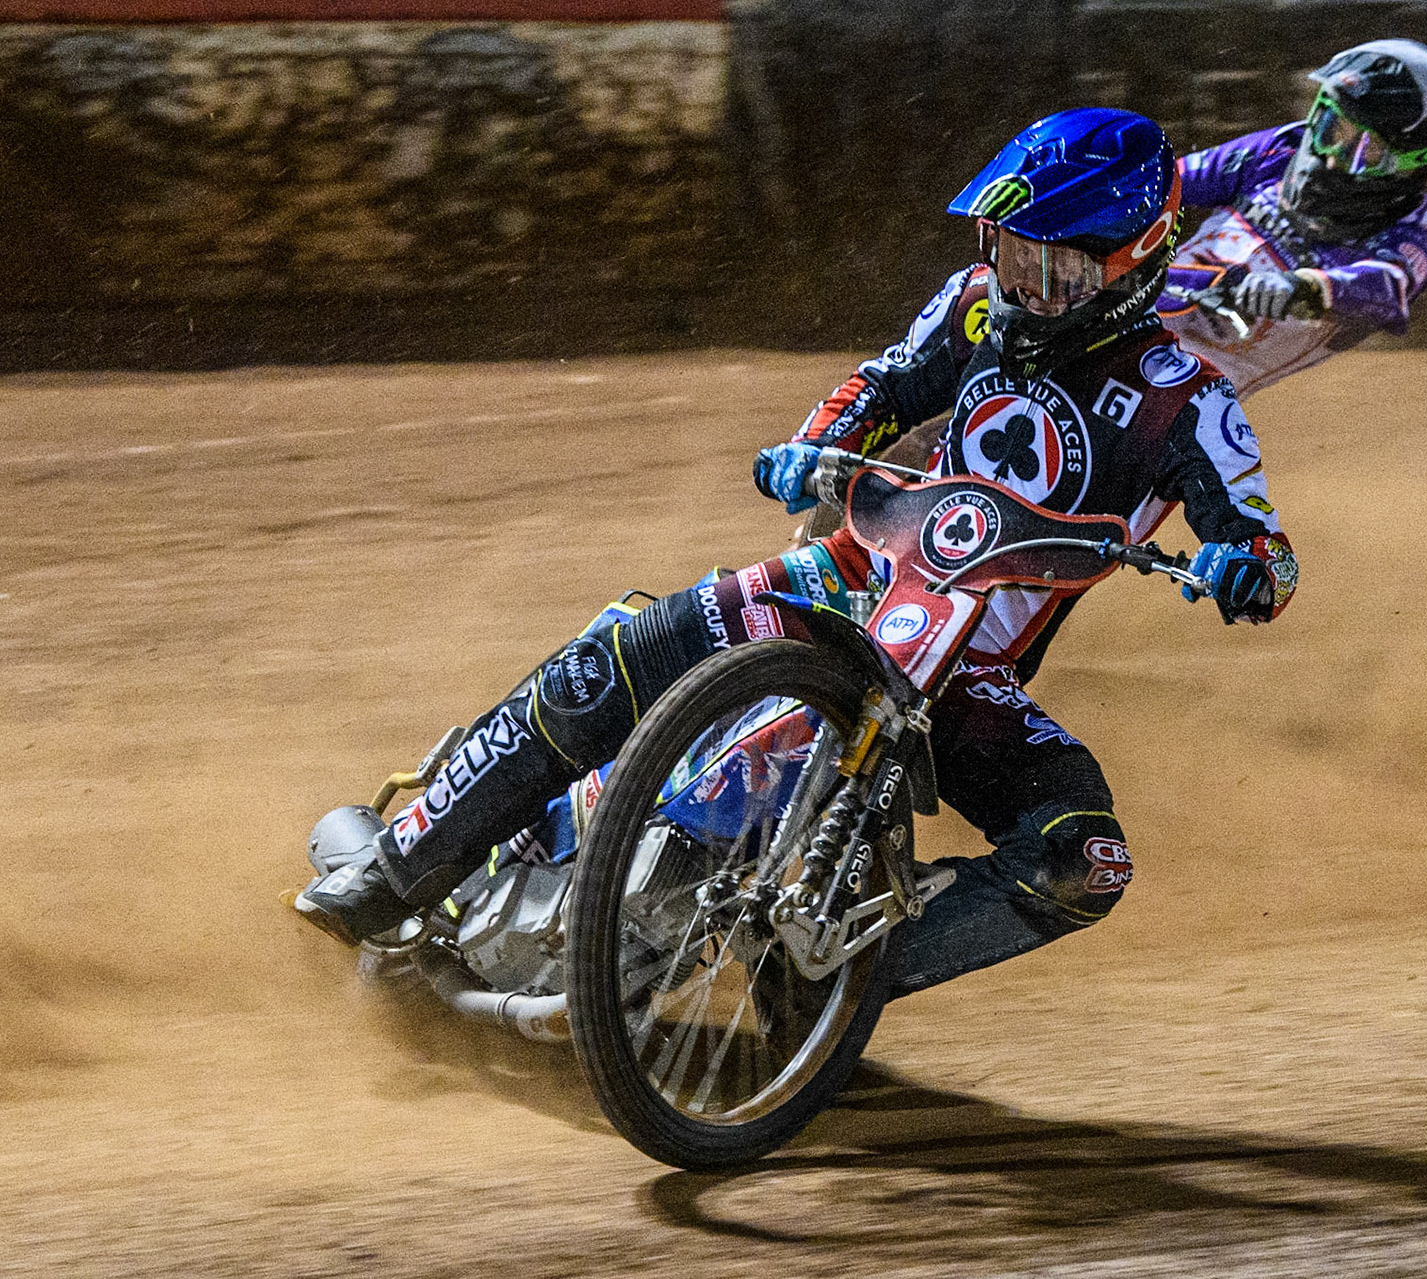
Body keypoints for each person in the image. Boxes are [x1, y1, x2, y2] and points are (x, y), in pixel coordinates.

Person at [295, 107, 1296, 997]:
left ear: (1132, 262)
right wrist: (815, 445)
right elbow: (884, 384)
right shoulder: (973, 303)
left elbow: (1264, 546)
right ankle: (396, 866)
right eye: (1010, 255)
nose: (1025, 288)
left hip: (970, 675)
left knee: (1085, 855)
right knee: (617, 655)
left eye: (1055, 269)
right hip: (849, 577)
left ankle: (834, 986)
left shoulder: (1188, 401)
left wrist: (1245, 566)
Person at [1160, 38, 1427, 396]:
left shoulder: (1405, 240)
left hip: (1186, 390)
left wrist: (1307, 288)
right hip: (1134, 316)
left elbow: (1385, 287)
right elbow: (1167, 183)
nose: (1333, 157)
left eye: (1368, 150)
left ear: (1415, 166)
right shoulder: (1280, 150)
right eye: (1332, 128)